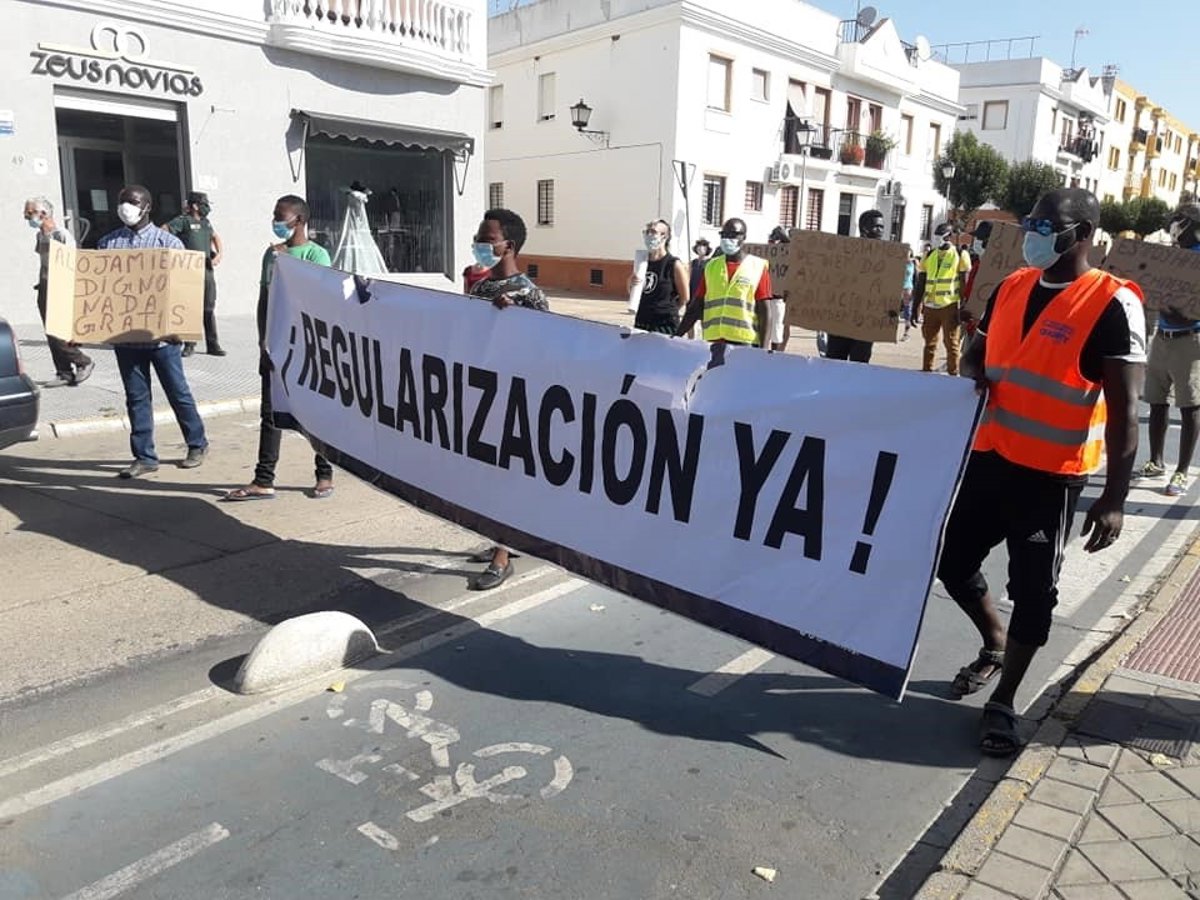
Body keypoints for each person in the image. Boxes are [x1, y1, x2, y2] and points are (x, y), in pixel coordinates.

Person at [938, 188, 1145, 757]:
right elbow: (979, 355)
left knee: (1034, 594)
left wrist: (1115, 498)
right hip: (989, 459)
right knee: (952, 563)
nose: (1033, 233)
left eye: (1047, 225)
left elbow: (1126, 411)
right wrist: (971, 369)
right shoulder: (1011, 285)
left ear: (1083, 235)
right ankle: (995, 640)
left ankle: (1004, 702)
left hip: (1049, 478)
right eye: (1031, 222)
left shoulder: (1112, 303)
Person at [224, 195, 334, 501]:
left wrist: (289, 264)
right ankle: (263, 479)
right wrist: (263, 341)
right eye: (274, 216)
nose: (275, 222)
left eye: (280, 217)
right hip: (276, 344)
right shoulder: (271, 255)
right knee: (270, 413)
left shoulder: (316, 255)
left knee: (317, 411)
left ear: (299, 220)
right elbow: (265, 299)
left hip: (308, 346)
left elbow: (319, 300)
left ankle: (324, 474)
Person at [97, 185, 208, 479]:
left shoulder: (169, 243)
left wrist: (180, 328)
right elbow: (101, 291)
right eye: (122, 201)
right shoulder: (108, 244)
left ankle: (197, 444)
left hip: (163, 340)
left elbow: (184, 291)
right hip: (127, 340)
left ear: (147, 206)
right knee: (136, 398)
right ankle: (144, 456)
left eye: (132, 202)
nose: (126, 207)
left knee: (178, 393)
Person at [466, 208, 549, 590]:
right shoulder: (481, 289)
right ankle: (500, 537)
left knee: (506, 475)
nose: (479, 246)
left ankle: (503, 554)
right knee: (485, 475)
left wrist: (514, 320)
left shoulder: (529, 295)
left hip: (516, 400)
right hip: (483, 393)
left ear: (508, 245)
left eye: (487, 240)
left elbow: (546, 349)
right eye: (479, 239)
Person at [1138, 202, 1200, 497]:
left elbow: (1189, 307)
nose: (1174, 226)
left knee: (1190, 405)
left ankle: (1181, 471)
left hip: (1190, 340)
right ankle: (1156, 460)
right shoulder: (1171, 255)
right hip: (1162, 336)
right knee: (1156, 400)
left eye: (1179, 220)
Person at [24, 196, 93, 386]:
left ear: (43, 213)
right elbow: (43, 262)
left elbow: (72, 263)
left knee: (57, 332)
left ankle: (83, 361)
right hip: (45, 285)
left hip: (61, 286)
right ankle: (64, 372)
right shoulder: (40, 235)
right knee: (50, 332)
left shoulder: (61, 235)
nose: (26, 217)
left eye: (30, 213)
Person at [676, 218, 772, 348]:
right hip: (714, 341)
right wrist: (677, 335)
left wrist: (764, 349)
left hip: (744, 342)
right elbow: (696, 306)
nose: (727, 239)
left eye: (733, 235)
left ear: (743, 237)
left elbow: (764, 311)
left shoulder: (757, 267)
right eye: (724, 235)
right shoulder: (711, 266)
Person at [165, 192, 225, 357]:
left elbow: (215, 237)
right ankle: (190, 344)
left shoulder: (206, 223)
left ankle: (213, 345)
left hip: (206, 271)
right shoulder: (183, 221)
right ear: (195, 206)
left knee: (208, 308)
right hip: (189, 272)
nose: (207, 207)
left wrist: (219, 254)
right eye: (204, 204)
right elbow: (164, 231)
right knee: (191, 308)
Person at [825, 210, 886, 362]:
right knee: (835, 361)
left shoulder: (887, 258)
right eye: (876, 227)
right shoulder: (844, 251)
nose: (880, 231)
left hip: (866, 322)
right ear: (864, 229)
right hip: (840, 319)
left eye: (882, 227)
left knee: (860, 363)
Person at [920, 223, 972, 375]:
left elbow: (963, 281)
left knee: (951, 343)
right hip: (930, 305)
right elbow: (921, 281)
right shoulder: (929, 254)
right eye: (936, 235)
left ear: (949, 236)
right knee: (929, 343)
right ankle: (926, 372)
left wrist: (964, 304)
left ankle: (953, 374)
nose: (937, 239)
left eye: (940, 235)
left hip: (949, 305)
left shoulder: (959, 254)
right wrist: (917, 304)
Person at [628, 219, 689, 334]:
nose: (649, 235)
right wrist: (631, 283)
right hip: (642, 321)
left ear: (664, 236)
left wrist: (667, 310)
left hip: (664, 324)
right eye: (646, 232)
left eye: (653, 232)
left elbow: (684, 298)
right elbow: (635, 291)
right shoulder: (642, 262)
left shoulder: (674, 264)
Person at [901, 246, 916, 340]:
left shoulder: (913, 263)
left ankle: (906, 333)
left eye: (908, 252)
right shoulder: (899, 262)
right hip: (898, 287)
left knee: (907, 310)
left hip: (908, 287)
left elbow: (917, 276)